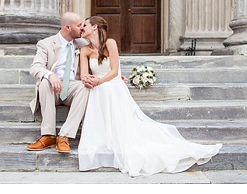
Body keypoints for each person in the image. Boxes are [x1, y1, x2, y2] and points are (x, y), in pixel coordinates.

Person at [77, 16, 222, 176]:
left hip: (111, 82)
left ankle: (116, 134)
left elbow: (114, 71)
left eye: (84, 25)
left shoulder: (110, 43)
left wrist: (99, 81)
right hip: (99, 85)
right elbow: (84, 73)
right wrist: (88, 80)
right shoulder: (84, 50)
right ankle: (103, 137)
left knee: (106, 88)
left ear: (95, 27)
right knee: (100, 90)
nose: (81, 28)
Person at [26, 12, 91, 153]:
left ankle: (64, 136)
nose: (82, 28)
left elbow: (99, 60)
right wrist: (50, 75)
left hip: (73, 87)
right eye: (79, 25)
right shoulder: (46, 44)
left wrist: (116, 76)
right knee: (44, 81)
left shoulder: (83, 44)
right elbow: (35, 67)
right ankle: (48, 135)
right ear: (68, 27)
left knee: (84, 88)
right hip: (52, 88)